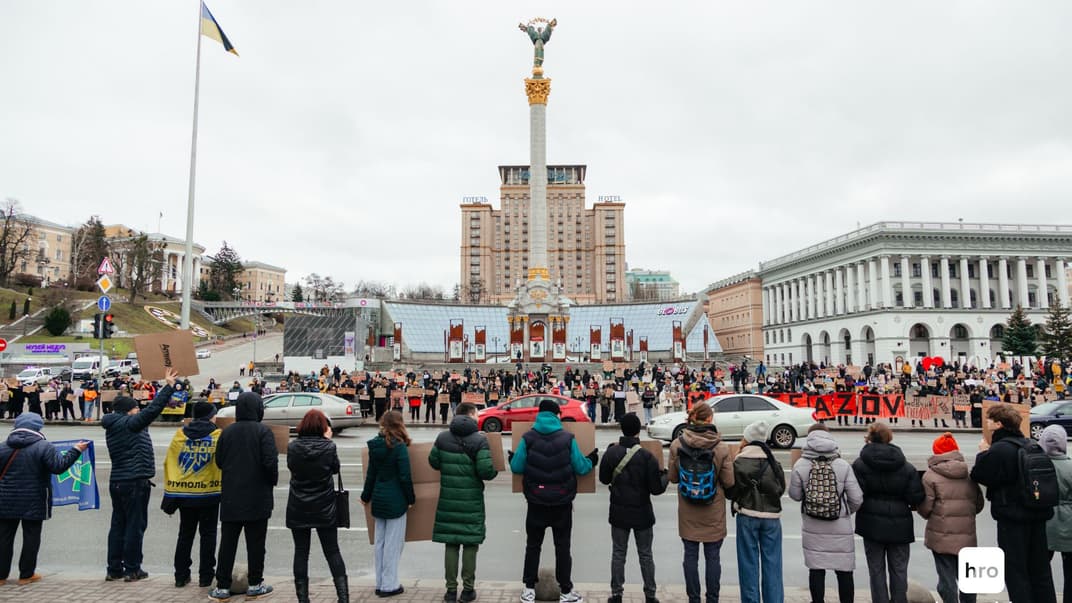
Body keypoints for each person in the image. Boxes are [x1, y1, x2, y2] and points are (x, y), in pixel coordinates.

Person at [509, 399, 596, 603]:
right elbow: (581, 468)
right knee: (563, 547)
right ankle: (566, 591)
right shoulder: (567, 438)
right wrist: (592, 459)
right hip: (562, 501)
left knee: (533, 545)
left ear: (540, 415)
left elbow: (517, 467)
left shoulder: (528, 437)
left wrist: (512, 457)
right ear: (557, 415)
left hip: (536, 501)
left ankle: (529, 590)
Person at [971, 404, 1058, 603]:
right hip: (1038, 514)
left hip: (1012, 518)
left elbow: (980, 474)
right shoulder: (1032, 445)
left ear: (999, 424)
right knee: (1040, 570)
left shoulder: (999, 449)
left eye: (990, 420)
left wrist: (983, 452)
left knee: (1016, 571)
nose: (987, 423)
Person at [102, 367, 177, 582]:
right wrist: (168, 387)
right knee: (135, 525)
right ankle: (132, 569)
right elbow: (152, 410)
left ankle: (114, 569)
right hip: (134, 481)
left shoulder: (113, 424)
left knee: (118, 525)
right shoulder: (131, 424)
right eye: (136, 409)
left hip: (117, 481)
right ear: (130, 411)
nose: (138, 411)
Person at [0, 413, 88, 586]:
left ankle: (1, 576)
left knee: (3, 538)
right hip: (34, 499)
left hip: (5, 499)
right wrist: (76, 450)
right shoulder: (43, 446)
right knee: (31, 537)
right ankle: (26, 575)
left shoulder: (3, 447)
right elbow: (58, 467)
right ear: (38, 427)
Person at [209, 392, 279, 602]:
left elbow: (219, 461)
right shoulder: (263, 431)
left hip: (232, 495)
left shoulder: (227, 432)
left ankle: (222, 586)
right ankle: (255, 584)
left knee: (228, 543)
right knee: (256, 543)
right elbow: (270, 463)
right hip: (257, 496)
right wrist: (271, 481)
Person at [429, 403, 498, 603]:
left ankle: (450, 591)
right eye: (476, 413)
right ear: (470, 415)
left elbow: (433, 461)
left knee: (451, 543)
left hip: (448, 499)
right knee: (470, 543)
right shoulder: (480, 440)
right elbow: (486, 472)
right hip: (471, 500)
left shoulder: (442, 437)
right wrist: (494, 470)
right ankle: (468, 590)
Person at [668, 401, 735, 603]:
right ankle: (712, 598)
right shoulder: (721, 447)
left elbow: (672, 478)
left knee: (690, 556)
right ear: (709, 420)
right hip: (713, 509)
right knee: (713, 557)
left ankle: (693, 598)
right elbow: (729, 481)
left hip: (688, 508)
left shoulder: (677, 444)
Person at [789, 424, 864, 603]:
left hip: (812, 523)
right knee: (844, 570)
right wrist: (843, 511)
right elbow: (857, 498)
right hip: (840, 525)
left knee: (816, 569)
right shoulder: (842, 465)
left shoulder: (801, 464)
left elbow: (795, 495)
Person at [598, 413, 668, 603]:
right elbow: (656, 489)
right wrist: (665, 476)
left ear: (621, 429)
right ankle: (650, 595)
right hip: (642, 512)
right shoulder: (647, 457)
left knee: (618, 553)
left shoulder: (611, 453)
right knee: (645, 554)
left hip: (619, 511)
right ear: (638, 431)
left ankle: (616, 593)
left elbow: (604, 479)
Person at [852, 422, 924, 603]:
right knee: (899, 569)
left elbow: (856, 494)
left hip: (871, 523)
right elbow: (916, 497)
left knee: (876, 570)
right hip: (900, 524)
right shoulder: (906, 466)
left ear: (869, 438)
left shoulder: (860, 465)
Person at [287, 409, 347, 603]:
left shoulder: (293, 447)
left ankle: (303, 599)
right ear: (323, 427)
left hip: (298, 505)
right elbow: (335, 469)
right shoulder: (328, 447)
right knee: (332, 551)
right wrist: (328, 441)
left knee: (301, 552)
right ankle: (343, 597)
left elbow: (292, 467)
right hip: (324, 505)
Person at [161, 401, 222, 589]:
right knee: (208, 535)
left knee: (185, 535)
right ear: (211, 415)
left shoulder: (180, 435)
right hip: (209, 493)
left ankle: (180, 575)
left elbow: (169, 462)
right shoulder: (217, 435)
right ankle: (205, 576)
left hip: (184, 493)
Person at [917, 432, 984, 603]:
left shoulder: (930, 476)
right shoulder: (968, 474)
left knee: (946, 578)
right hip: (967, 536)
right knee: (968, 579)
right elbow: (978, 505)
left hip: (941, 536)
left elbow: (925, 509)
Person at [729, 420, 785, 603]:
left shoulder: (739, 461)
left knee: (748, 564)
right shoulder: (773, 462)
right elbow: (780, 489)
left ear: (747, 439)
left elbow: (731, 490)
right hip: (772, 518)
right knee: (773, 564)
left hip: (747, 515)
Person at [361, 410, 414, 598]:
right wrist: (410, 499)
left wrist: (365, 496)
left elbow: (371, 474)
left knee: (380, 543)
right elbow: (405, 476)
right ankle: (389, 585)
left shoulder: (375, 445)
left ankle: (380, 581)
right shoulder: (399, 447)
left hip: (379, 498)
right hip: (396, 501)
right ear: (399, 424)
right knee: (394, 544)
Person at [1039, 425, 1072, 603]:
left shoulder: (1037, 465)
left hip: (1045, 522)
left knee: (1041, 571)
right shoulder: (1070, 465)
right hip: (1070, 524)